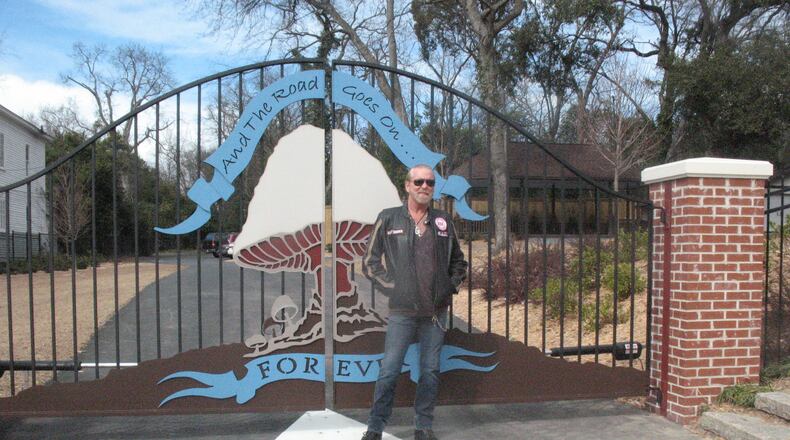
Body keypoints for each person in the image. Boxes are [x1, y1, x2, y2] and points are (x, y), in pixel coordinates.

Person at [361, 164, 468, 440]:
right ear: (407, 186)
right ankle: (375, 427)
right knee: (389, 370)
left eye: (430, 183)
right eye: (419, 181)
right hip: (402, 312)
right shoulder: (388, 219)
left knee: (430, 371)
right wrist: (393, 287)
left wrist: (449, 287)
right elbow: (370, 262)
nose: (424, 186)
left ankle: (423, 426)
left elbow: (459, 262)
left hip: (434, 313)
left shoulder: (443, 221)